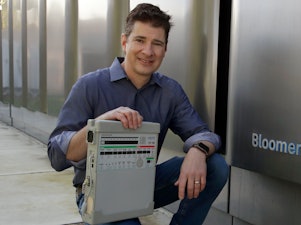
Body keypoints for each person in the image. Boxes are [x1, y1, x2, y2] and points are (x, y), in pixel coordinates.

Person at [47, 3, 229, 225]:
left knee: (216, 167)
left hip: (144, 185)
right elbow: (56, 155)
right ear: (125, 42)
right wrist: (98, 126)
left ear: (165, 49)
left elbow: (204, 133)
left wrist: (198, 150)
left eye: (157, 44)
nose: (148, 51)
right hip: (98, 193)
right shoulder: (89, 86)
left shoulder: (170, 92)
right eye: (140, 41)